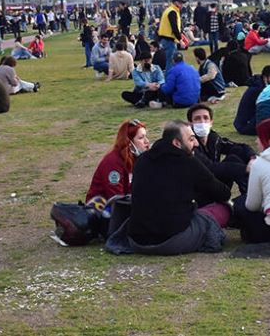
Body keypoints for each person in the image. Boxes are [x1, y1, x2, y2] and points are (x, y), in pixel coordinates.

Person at [111, 120, 232, 255]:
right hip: (170, 241)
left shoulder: (142, 160)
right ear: (176, 143)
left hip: (137, 241)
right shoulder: (188, 162)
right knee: (223, 209)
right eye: (191, 139)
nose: (196, 144)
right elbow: (223, 193)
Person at [188, 104, 254, 195]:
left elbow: (240, 147)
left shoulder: (214, 138)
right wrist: (245, 169)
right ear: (190, 123)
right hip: (199, 190)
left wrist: (253, 158)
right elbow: (209, 168)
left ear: (211, 122)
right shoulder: (189, 144)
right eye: (197, 119)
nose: (202, 122)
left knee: (237, 153)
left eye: (205, 118)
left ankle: (250, 193)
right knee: (233, 162)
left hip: (216, 182)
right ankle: (250, 195)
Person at [85, 119, 150, 209]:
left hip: (122, 206)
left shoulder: (136, 159)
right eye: (141, 138)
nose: (147, 141)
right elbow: (117, 198)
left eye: (146, 136)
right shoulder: (113, 163)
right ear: (129, 143)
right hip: (101, 210)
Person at [233, 65, 270, 136]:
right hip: (247, 125)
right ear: (266, 77)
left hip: (244, 123)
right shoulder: (259, 90)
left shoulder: (258, 85)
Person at [158, 0, 186, 72]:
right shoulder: (172, 12)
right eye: (180, 3)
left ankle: (171, 77)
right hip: (169, 40)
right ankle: (169, 78)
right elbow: (174, 27)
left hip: (166, 39)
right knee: (171, 63)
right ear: (176, 3)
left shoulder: (169, 10)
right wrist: (180, 40)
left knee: (171, 62)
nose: (182, 5)